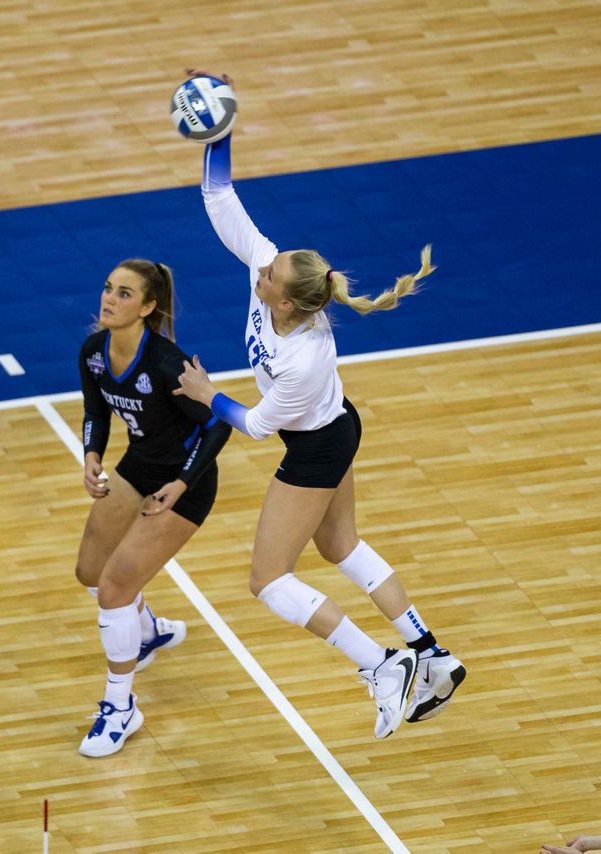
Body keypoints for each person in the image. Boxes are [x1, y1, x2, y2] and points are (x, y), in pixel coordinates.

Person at [171, 71, 464, 740]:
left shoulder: (304, 358)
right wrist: (222, 130)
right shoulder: (270, 272)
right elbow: (219, 198)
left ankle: (383, 668)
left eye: (269, 274)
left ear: (283, 300)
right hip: (336, 427)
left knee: (268, 580)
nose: (262, 267)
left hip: (316, 443)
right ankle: (429, 652)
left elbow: (255, 425)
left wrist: (204, 394)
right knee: (340, 543)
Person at [73, 259, 232, 757]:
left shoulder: (167, 364)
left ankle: (120, 708)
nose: (109, 299)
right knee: (90, 572)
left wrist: (182, 484)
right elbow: (96, 411)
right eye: (107, 288)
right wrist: (92, 455)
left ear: (147, 307)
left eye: (124, 294)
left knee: (116, 586)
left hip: (188, 481)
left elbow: (218, 425)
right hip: (138, 465)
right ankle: (145, 632)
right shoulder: (94, 353)